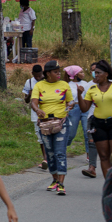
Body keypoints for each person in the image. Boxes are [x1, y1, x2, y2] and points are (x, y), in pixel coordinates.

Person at [80, 60, 112, 179]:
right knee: (104, 156)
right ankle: (109, 185)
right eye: (94, 73)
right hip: (98, 124)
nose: (95, 75)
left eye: (98, 73)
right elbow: (85, 108)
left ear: (106, 74)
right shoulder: (91, 89)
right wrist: (78, 94)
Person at [30, 60, 72, 195]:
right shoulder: (39, 85)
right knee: (50, 154)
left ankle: (61, 183)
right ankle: (54, 179)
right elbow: (33, 102)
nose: (58, 74)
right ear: (48, 73)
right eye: (55, 72)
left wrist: (71, 105)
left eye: (59, 71)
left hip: (61, 123)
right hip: (45, 124)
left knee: (60, 152)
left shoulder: (64, 85)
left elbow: (70, 101)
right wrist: (37, 110)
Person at [22, 64, 48, 170]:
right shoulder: (29, 82)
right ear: (32, 74)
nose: (38, 77)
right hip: (35, 113)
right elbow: (26, 100)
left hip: (46, 112)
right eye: (36, 75)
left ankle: (47, 158)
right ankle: (45, 158)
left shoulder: (46, 81)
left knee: (47, 135)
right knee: (40, 137)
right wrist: (29, 94)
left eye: (40, 75)